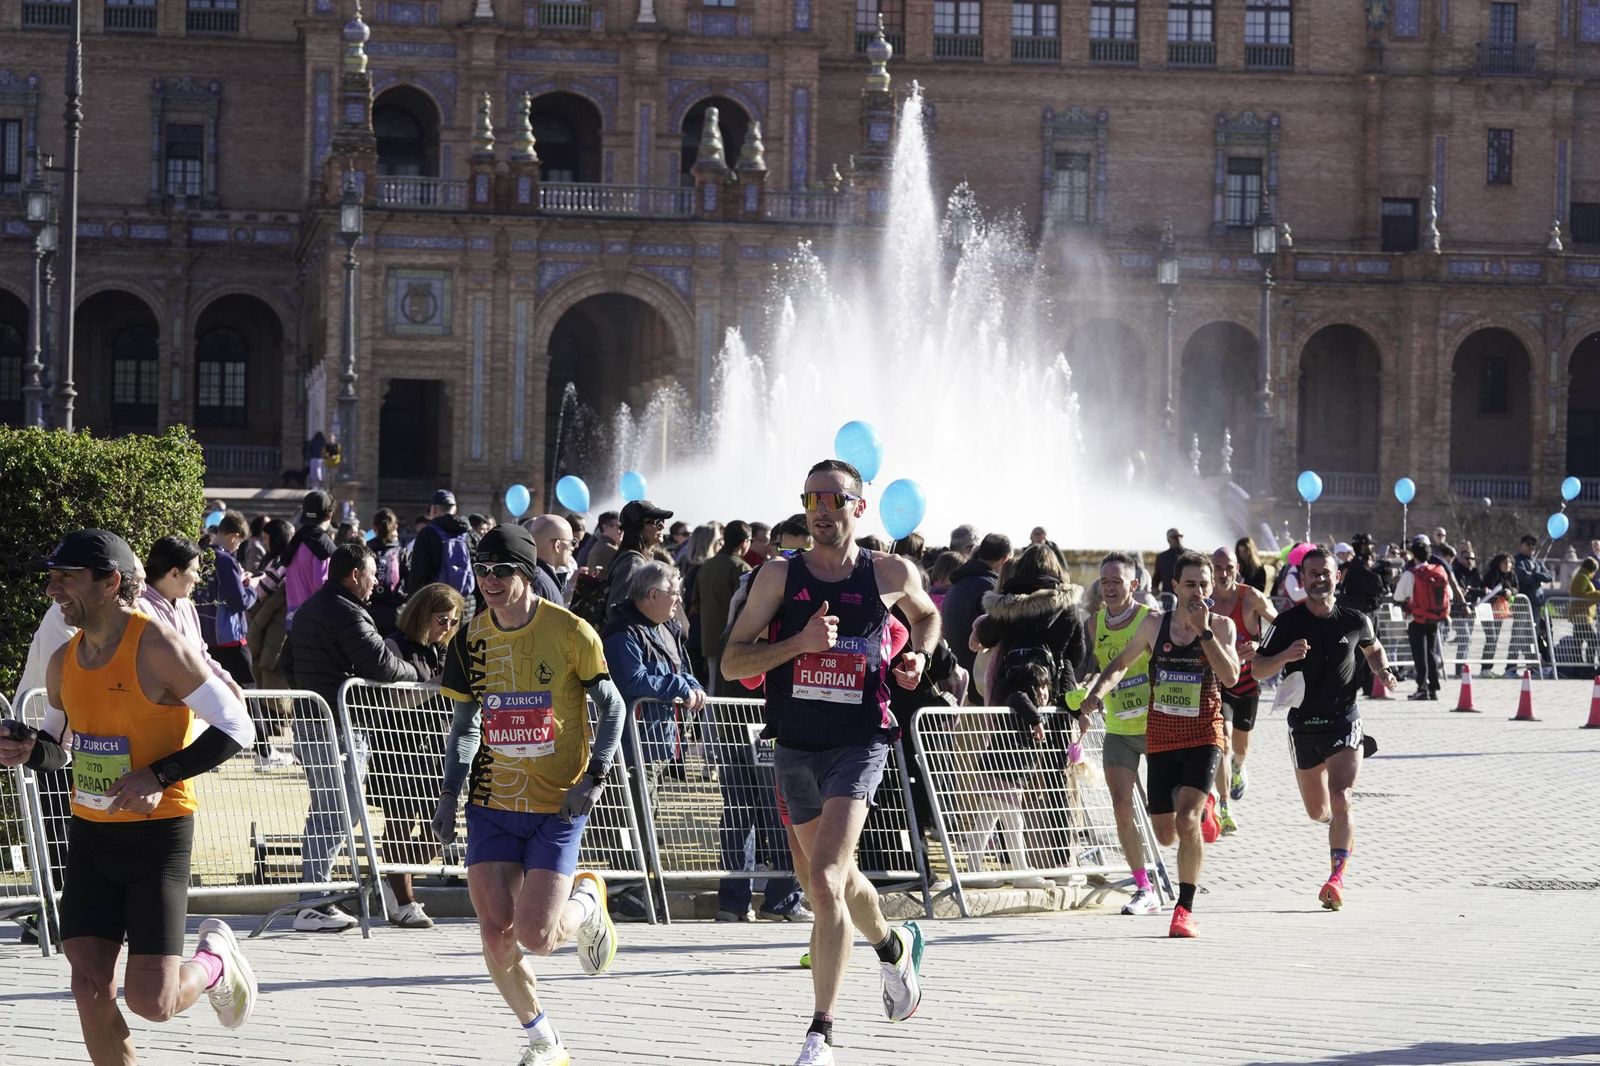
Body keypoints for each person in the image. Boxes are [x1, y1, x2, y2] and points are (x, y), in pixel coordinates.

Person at [0, 529, 259, 1060]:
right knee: (88, 986)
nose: (51, 590)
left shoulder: (157, 645)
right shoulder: (64, 660)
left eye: (64, 578)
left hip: (157, 839)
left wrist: (159, 775)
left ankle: (214, 962)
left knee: (152, 1001)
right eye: (51, 578)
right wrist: (26, 749)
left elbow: (237, 725)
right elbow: (60, 747)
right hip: (92, 836)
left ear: (110, 581)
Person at [722, 459, 936, 1066]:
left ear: (858, 507)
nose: (821, 508)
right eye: (812, 497)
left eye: (834, 498)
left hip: (861, 741)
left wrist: (919, 657)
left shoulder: (890, 571)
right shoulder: (776, 578)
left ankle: (822, 1033)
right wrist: (799, 644)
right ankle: (894, 946)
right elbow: (735, 663)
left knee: (824, 878)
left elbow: (926, 615)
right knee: (834, 882)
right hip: (794, 742)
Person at [429, 524, 626, 1066]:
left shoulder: (572, 632)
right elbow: (465, 724)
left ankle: (587, 901)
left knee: (537, 938)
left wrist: (595, 779)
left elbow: (614, 708)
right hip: (492, 802)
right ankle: (545, 1041)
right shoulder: (469, 640)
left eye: (501, 571)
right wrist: (449, 796)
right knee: (496, 937)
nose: (488, 581)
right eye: (482, 569)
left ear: (526, 573)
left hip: (556, 804)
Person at [1083, 550, 1239, 939]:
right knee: (1166, 834)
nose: (1199, 592)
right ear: (1174, 587)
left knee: (1186, 821)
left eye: (1205, 584)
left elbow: (1232, 677)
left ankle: (1184, 910)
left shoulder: (1220, 627)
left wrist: (1204, 633)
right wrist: (1096, 693)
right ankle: (1204, 812)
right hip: (1163, 735)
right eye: (1190, 585)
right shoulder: (1155, 624)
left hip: (1205, 734)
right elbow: (1121, 663)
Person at [285, 542, 424, 932]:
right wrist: (418, 675)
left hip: (314, 720)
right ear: (354, 575)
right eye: (372, 573)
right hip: (338, 724)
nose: (377, 581)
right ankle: (312, 901)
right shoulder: (348, 612)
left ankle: (316, 898)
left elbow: (286, 661)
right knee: (337, 812)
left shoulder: (311, 607)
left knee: (331, 811)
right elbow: (380, 663)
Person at [1253, 547, 1397, 911]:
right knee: (1319, 812)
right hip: (1303, 727)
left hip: (1344, 720)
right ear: (1302, 580)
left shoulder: (1355, 618)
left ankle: (1336, 878)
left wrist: (1382, 670)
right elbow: (1257, 669)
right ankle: (1340, 825)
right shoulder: (1287, 623)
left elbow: (1373, 648)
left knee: (1341, 796)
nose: (1319, 579)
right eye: (1312, 574)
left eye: (1326, 573)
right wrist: (1285, 656)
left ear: (1338, 577)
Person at [374, 582, 467, 929]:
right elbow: (392, 700)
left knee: (442, 829)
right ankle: (404, 900)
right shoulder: (393, 645)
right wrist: (440, 683)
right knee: (399, 824)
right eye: (441, 619)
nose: (446, 627)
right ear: (422, 615)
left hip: (436, 748)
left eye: (453, 621)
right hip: (398, 746)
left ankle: (391, 877)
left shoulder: (445, 649)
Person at [1083, 552, 1160, 915]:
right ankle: (1144, 887)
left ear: (1134, 584)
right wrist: (1085, 697)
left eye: (1117, 580)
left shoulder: (1152, 621)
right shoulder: (1093, 624)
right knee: (1121, 806)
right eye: (1105, 580)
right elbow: (1090, 668)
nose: (1110, 587)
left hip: (1158, 726)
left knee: (1166, 817)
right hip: (1118, 728)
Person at [1208, 546, 1276, 832]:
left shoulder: (1250, 597)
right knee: (1219, 740)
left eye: (1228, 568)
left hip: (1247, 683)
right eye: (1218, 568)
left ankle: (1238, 767)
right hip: (1217, 683)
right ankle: (1224, 806)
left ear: (1237, 569)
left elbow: (1281, 626)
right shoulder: (1204, 599)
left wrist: (1261, 646)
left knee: (1240, 747)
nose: (1223, 574)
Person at [939, 532, 1009, 681]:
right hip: (974, 677)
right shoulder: (989, 586)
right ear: (1005, 559)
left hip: (956, 672)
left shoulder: (959, 580)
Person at [695, 520, 752, 695]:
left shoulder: (707, 564)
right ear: (744, 542)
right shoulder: (741, 568)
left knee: (712, 687)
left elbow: (695, 601)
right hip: (730, 639)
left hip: (708, 636)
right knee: (721, 692)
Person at [1393, 540, 1454, 700]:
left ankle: (1422, 687)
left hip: (1416, 617)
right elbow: (1450, 594)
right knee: (1431, 652)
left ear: (1414, 556)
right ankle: (1433, 687)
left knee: (1419, 654)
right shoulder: (1439, 571)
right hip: (1434, 617)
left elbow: (1398, 595)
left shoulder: (1411, 573)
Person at [605, 499, 674, 623]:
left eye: (662, 521)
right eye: (656, 521)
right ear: (638, 527)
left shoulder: (633, 559)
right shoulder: (633, 563)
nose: (662, 526)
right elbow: (616, 611)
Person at [409, 489, 477, 600]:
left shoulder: (427, 534)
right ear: (455, 509)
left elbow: (418, 573)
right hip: (466, 601)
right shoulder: (470, 534)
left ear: (434, 509)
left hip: (436, 601)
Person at [284, 490, 337, 630]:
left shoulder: (296, 540)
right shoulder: (322, 544)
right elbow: (321, 583)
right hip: (315, 622)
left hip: (292, 619)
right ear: (329, 515)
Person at [1513, 533, 1556, 673]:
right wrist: (1537, 577)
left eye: (1533, 545)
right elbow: (1523, 577)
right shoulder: (1518, 560)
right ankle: (1511, 666)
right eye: (1528, 544)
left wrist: (1536, 575)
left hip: (1536, 604)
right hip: (1524, 604)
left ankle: (1531, 665)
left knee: (1533, 636)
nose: (1531, 547)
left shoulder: (1537, 563)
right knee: (1519, 635)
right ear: (1522, 545)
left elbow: (1549, 576)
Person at [367, 508, 409, 636]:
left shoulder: (364, 552)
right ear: (396, 526)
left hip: (369, 612)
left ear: (374, 527)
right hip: (395, 613)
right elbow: (411, 584)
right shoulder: (402, 553)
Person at [526, 513, 576, 606]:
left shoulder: (535, 578)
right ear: (557, 545)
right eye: (572, 542)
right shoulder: (539, 583)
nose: (574, 547)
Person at [1566, 557, 1600, 667]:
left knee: (1578, 641)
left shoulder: (1582, 576)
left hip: (1580, 615)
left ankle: (1579, 666)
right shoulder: (1583, 577)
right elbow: (1579, 595)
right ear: (1592, 569)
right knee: (1593, 640)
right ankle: (1588, 665)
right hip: (1582, 616)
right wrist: (1597, 594)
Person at [1152, 527, 1185, 599]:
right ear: (1168, 540)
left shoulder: (1191, 555)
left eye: (1180, 536)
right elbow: (1157, 577)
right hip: (1169, 599)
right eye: (1175, 537)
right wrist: (1154, 587)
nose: (1179, 539)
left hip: (1186, 597)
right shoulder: (1162, 557)